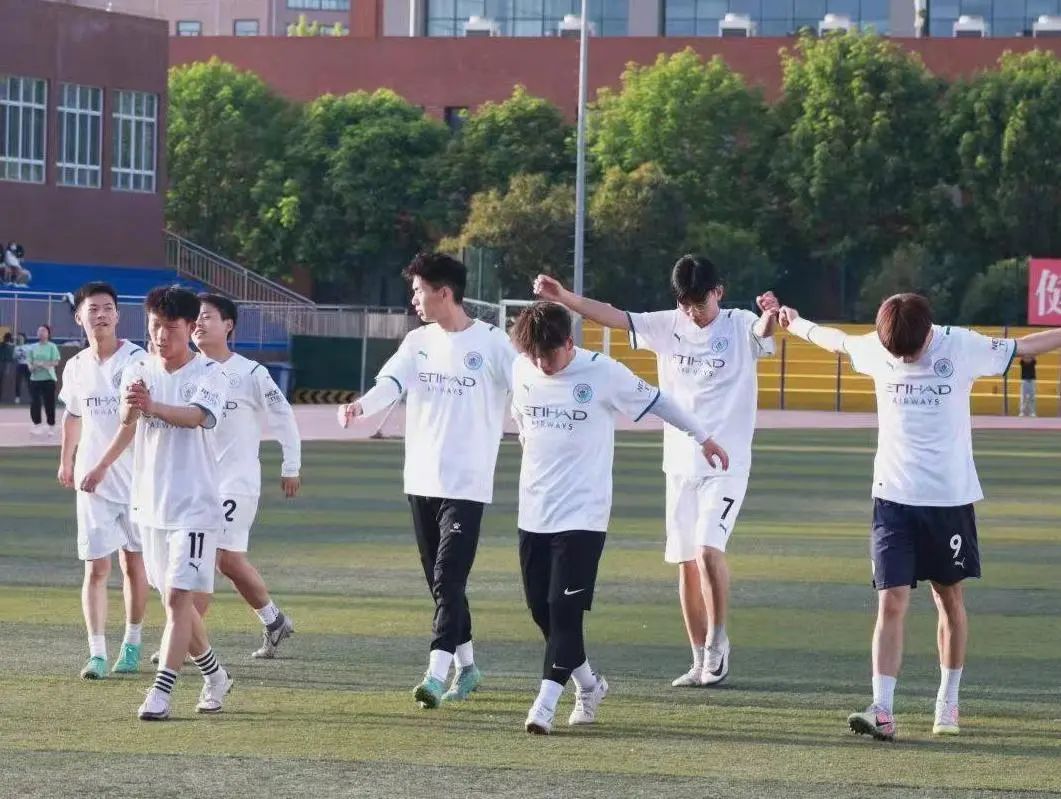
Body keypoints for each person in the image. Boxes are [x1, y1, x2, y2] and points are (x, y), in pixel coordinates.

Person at [779, 294, 1061, 740]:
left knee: (948, 598)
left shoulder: (962, 346)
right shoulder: (877, 346)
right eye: (898, 354)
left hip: (949, 499)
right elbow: (835, 341)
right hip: (893, 499)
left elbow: (1024, 347)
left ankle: (948, 699)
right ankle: (883, 709)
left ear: (929, 332)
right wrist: (794, 323)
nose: (906, 360)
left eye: (911, 352)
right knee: (890, 599)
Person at [534, 256, 778, 688]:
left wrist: (770, 316)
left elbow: (763, 332)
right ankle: (698, 660)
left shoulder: (739, 324)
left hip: (727, 464)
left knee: (707, 550)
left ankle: (718, 642)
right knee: (686, 564)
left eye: (699, 303)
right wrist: (565, 297)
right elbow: (613, 316)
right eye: (685, 304)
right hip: (679, 464)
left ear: (718, 292)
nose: (692, 312)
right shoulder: (668, 325)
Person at [510, 302, 730, 735]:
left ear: (569, 343)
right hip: (534, 512)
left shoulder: (603, 373)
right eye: (532, 355)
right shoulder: (522, 370)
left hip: (584, 515)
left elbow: (660, 402)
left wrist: (703, 437)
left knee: (565, 612)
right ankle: (590, 685)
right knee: (542, 612)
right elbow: (521, 422)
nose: (540, 364)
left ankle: (544, 705)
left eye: (547, 355)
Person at [337, 252, 516, 709]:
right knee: (442, 585)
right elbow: (390, 384)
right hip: (421, 479)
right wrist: (361, 406)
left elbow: (526, 390)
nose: (413, 299)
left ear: (444, 292)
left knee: (448, 577)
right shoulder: (417, 341)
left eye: (418, 290)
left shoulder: (493, 343)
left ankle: (435, 675)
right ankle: (468, 667)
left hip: (467, 483)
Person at [81, 286, 233, 721]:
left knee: (179, 597)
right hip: (149, 505)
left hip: (196, 506)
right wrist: (130, 412)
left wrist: (152, 405)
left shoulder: (210, 373)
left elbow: (197, 416)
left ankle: (161, 692)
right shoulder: (139, 368)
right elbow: (127, 421)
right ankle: (216, 675)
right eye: (154, 327)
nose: (161, 336)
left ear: (190, 327)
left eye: (170, 328)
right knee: (174, 601)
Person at [190, 293, 302, 658]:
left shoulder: (252, 373)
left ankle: (185, 640)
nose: (198, 322)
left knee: (215, 557)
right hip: (195, 482)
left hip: (236, 481)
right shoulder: (188, 371)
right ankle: (274, 621)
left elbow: (282, 416)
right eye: (194, 317)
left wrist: (290, 466)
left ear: (228, 325)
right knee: (219, 560)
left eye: (207, 316)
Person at [57, 283, 150, 679]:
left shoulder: (137, 360)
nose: (101, 315)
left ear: (118, 315)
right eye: (93, 309)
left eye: (108, 308)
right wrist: (67, 461)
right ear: (80, 317)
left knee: (134, 564)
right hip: (92, 486)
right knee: (96, 568)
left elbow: (132, 422)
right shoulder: (76, 365)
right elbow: (73, 415)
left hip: (135, 481)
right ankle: (96, 653)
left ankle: (132, 643)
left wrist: (102, 466)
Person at [29, 324, 60, 437]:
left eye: (43, 331)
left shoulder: (52, 346)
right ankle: (37, 425)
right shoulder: (33, 347)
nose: (41, 333)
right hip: (35, 379)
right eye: (39, 331)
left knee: (49, 403)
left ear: (48, 333)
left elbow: (56, 361)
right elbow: (30, 363)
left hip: (48, 379)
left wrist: (44, 364)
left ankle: (51, 425)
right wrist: (33, 367)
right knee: (35, 402)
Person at [13, 333, 30, 404]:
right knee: (18, 381)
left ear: (24, 339)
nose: (20, 339)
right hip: (20, 365)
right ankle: (17, 397)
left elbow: (31, 356)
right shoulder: (16, 348)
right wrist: (17, 356)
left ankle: (32, 397)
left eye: (21, 338)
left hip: (27, 365)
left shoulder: (28, 347)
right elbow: (14, 357)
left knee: (30, 382)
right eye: (19, 338)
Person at [0, 332, 13, 401]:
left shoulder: (7, 346)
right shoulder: (10, 346)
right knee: (2, 381)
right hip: (5, 363)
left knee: (2, 381)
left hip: (4, 363)